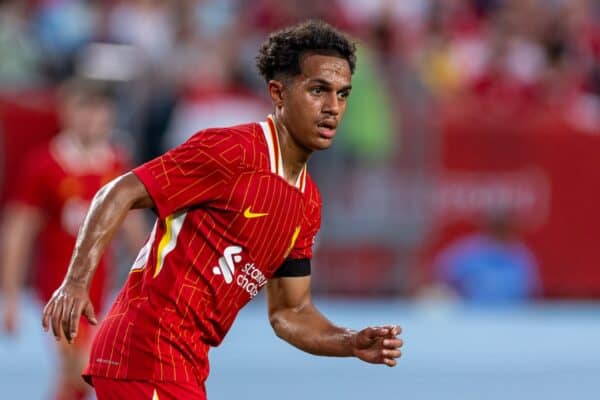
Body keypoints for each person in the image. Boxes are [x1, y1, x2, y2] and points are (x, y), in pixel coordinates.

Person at [41, 20, 403, 399]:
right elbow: (117, 191)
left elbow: (290, 312)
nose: (333, 107)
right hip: (145, 351)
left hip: (185, 364)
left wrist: (349, 342)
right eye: (318, 90)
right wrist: (76, 282)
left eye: (342, 95)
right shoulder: (232, 152)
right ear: (278, 93)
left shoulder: (307, 204)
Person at [1, 78, 146, 400]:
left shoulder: (115, 163)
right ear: (68, 113)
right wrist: (9, 296)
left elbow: (134, 229)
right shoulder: (45, 165)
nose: (94, 120)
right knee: (88, 369)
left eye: (100, 111)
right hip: (58, 293)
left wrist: (155, 278)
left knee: (78, 380)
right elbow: (19, 231)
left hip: (101, 292)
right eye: (85, 111)